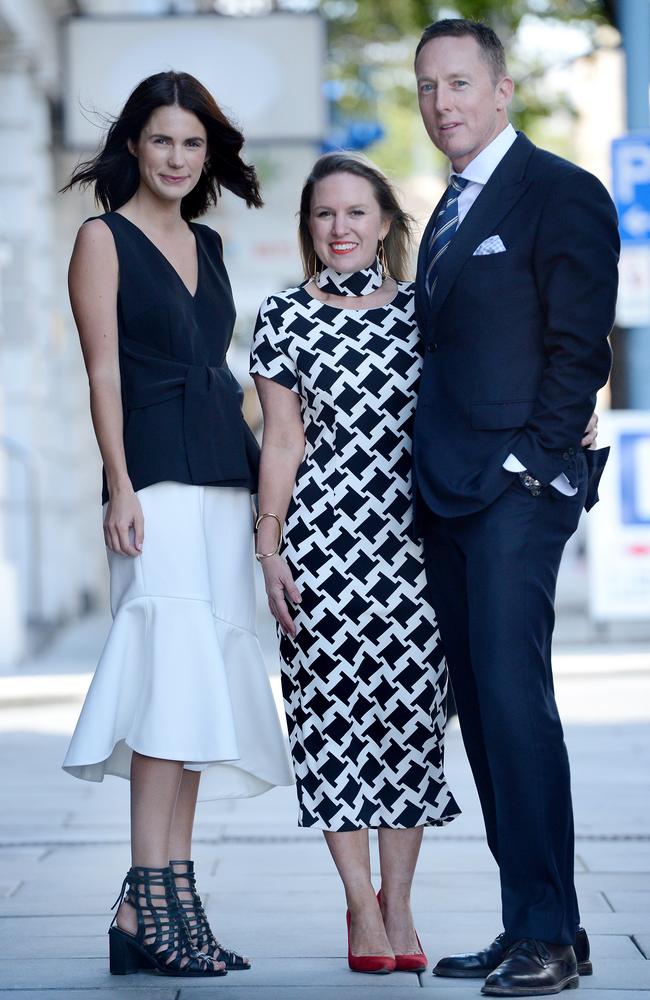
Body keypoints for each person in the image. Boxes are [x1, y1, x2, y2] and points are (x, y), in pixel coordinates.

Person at [61, 70, 294, 978]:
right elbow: (103, 373)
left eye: (192, 143)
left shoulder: (210, 242)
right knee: (164, 685)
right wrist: (117, 483)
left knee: (195, 697)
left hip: (223, 480)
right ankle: (152, 900)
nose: (176, 157)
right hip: (152, 483)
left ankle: (159, 903)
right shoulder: (100, 238)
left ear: (208, 156)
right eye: (162, 140)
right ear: (133, 145)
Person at [412, 19, 619, 996]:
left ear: (500, 92)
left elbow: (580, 347)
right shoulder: (444, 210)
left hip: (515, 495)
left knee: (513, 704)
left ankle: (545, 931)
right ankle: (536, 926)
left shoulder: (560, 192)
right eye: (426, 88)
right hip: (447, 496)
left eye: (458, 84)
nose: (440, 103)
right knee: (485, 717)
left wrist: (533, 467)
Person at [249, 152, 461, 975]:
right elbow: (282, 440)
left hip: (415, 547)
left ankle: (399, 904)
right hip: (323, 548)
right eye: (324, 215)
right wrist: (269, 548)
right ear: (309, 228)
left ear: (384, 223)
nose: (340, 229)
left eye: (356, 213)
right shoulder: (283, 315)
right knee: (332, 729)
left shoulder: (423, 310)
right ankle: (360, 911)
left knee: (409, 729)